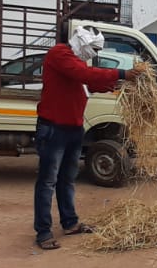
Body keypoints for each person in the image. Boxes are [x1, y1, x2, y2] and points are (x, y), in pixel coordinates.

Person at [33, 25, 144, 250]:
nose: (94, 54)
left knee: (67, 179)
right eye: (93, 49)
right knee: (47, 181)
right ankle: (43, 232)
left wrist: (120, 84)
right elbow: (83, 75)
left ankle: (70, 223)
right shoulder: (59, 54)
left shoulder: (77, 61)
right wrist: (122, 73)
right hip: (54, 129)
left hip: (73, 128)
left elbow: (90, 82)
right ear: (82, 42)